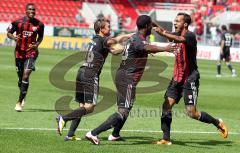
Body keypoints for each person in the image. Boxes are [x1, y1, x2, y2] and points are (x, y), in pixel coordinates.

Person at [85, 15, 175, 145]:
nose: (153, 28)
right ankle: (93, 133)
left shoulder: (138, 37)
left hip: (124, 76)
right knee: (123, 111)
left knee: (128, 106)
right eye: (151, 25)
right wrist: (165, 48)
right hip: (127, 78)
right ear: (146, 27)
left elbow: (146, 45)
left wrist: (154, 24)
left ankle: (115, 134)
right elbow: (146, 47)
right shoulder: (138, 39)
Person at [152, 12, 228, 145]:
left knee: (191, 113)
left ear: (185, 24)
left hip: (189, 79)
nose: (175, 22)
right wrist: (151, 23)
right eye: (174, 20)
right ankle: (166, 138)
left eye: (178, 21)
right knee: (166, 106)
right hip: (177, 78)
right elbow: (165, 31)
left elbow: (177, 39)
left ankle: (217, 122)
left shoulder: (189, 36)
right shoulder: (176, 34)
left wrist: (163, 34)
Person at [56, 18, 133, 141]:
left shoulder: (96, 40)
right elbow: (115, 41)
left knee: (82, 106)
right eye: (108, 27)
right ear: (101, 29)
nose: (110, 28)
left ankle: (70, 135)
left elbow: (115, 51)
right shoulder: (103, 40)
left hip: (81, 71)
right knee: (90, 107)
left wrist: (126, 48)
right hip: (91, 74)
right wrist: (128, 36)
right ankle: (64, 118)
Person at [7, 3, 44, 112]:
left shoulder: (39, 24)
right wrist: (14, 38)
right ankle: (23, 94)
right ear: (26, 11)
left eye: (34, 10)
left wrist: (37, 44)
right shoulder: (17, 22)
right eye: (30, 9)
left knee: (26, 75)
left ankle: (19, 102)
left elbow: (41, 36)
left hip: (31, 53)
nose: (32, 11)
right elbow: (8, 32)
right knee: (20, 78)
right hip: (19, 53)